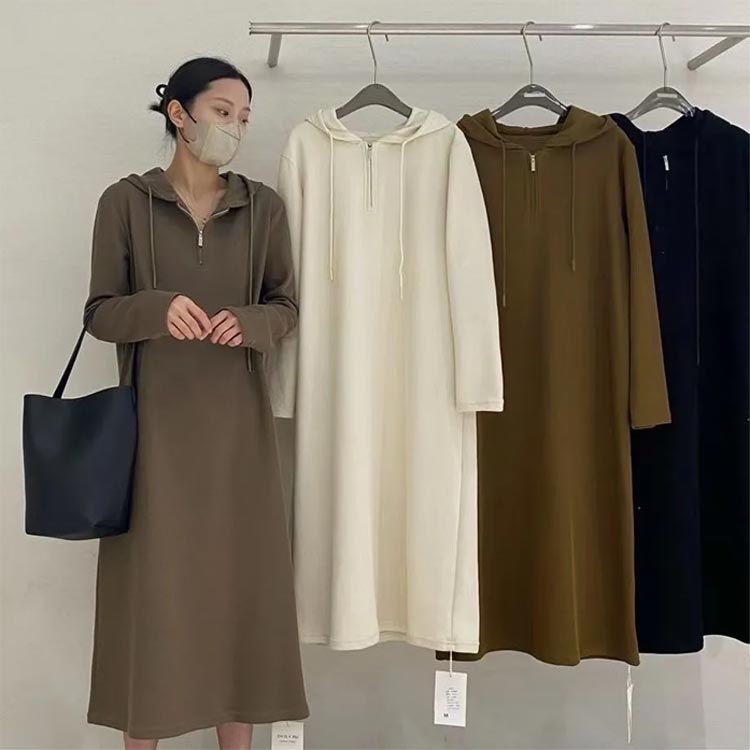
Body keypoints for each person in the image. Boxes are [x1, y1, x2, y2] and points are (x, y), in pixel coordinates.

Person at [82, 56, 309, 749]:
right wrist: (156, 307)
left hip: (239, 435)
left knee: (238, 596)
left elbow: (286, 305)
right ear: (179, 114)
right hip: (153, 436)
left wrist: (253, 322)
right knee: (153, 602)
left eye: (243, 116)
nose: (234, 127)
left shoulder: (262, 207)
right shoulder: (126, 203)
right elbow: (100, 311)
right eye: (222, 111)